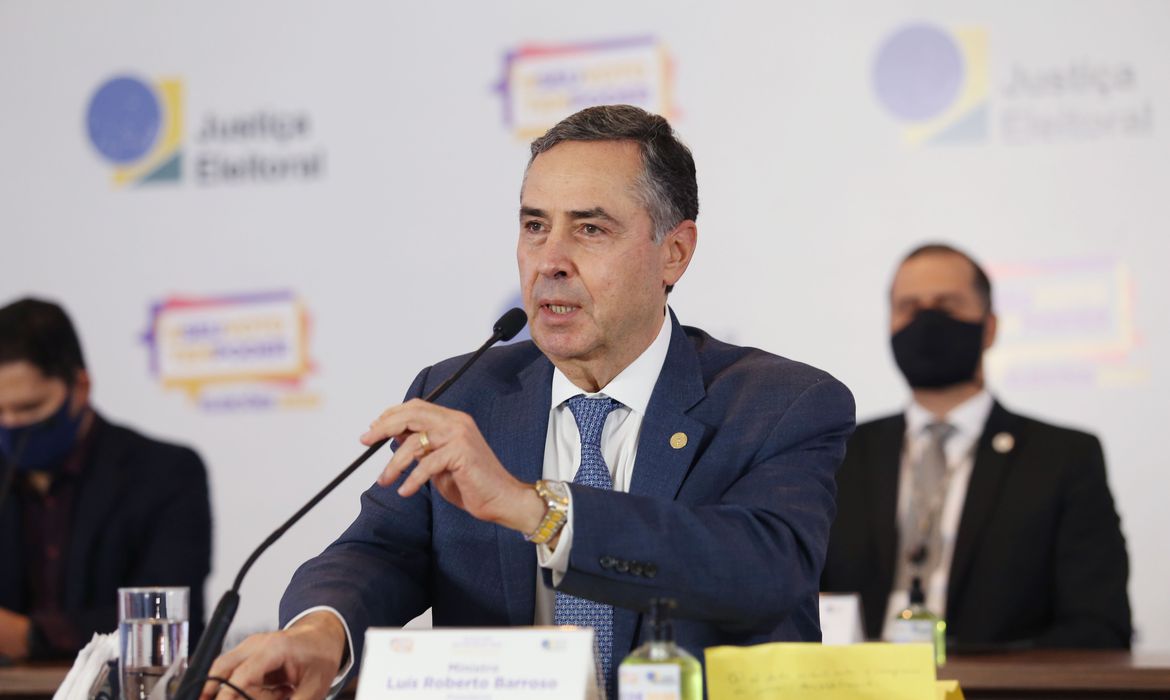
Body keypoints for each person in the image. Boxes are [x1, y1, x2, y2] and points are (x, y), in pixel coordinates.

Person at [204, 105, 855, 700]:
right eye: (535, 226)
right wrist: (320, 634)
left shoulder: (780, 404)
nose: (550, 261)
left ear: (674, 253)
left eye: (590, 229)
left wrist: (535, 510)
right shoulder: (464, 393)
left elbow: (761, 572)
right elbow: (379, 551)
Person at [821, 243, 1131, 650]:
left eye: (947, 305)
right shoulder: (838, 454)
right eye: (909, 308)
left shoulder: (1064, 458)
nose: (926, 322)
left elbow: (1099, 626)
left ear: (989, 327)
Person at [0, 298, 212, 661]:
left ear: (80, 386)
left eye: (30, 408)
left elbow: (167, 613)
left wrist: (32, 637)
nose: (11, 424)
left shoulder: (166, 471)